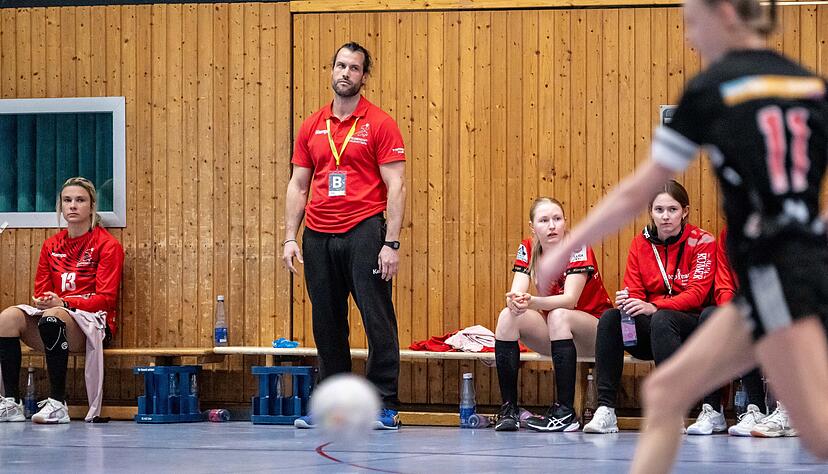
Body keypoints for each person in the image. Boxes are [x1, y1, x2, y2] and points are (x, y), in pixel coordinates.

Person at [539, 0, 828, 468]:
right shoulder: (809, 85)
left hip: (777, 273)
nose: (690, 37)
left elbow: (637, 191)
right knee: (666, 390)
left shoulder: (713, 88)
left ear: (728, 15)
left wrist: (566, 247)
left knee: (818, 431)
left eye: (694, 23)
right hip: (781, 272)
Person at [282, 42, 406, 430]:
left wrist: (392, 243)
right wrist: (290, 236)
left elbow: (397, 185)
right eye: (340, 65)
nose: (345, 73)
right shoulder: (312, 125)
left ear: (364, 76)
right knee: (326, 322)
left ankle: (383, 403)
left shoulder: (380, 123)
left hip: (365, 229)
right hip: (318, 234)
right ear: (331, 70)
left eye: (354, 68)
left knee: (377, 317)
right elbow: (298, 185)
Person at [582, 180, 716, 434]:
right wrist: (628, 301)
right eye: (659, 210)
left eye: (673, 210)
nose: (666, 217)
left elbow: (697, 295)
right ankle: (606, 409)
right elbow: (634, 289)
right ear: (650, 211)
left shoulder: (702, 241)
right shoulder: (640, 243)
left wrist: (653, 306)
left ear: (685, 211)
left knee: (663, 317)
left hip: (689, 330)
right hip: (652, 331)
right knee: (610, 318)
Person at [0, 177, 124, 424]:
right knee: (7, 318)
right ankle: (11, 402)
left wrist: (63, 303)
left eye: (80, 200)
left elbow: (106, 299)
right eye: (67, 201)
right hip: (55, 316)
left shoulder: (107, 245)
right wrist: (45, 300)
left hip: (93, 323)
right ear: (60, 207)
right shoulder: (51, 245)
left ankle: (58, 403)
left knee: (53, 316)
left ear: (92, 206)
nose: (73, 206)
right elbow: (42, 289)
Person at [494, 197, 612, 432]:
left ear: (565, 222)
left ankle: (566, 412)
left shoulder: (578, 246)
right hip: (559, 335)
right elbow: (518, 289)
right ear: (532, 227)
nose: (552, 226)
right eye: (544, 220)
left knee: (559, 314)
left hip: (595, 332)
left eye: (557, 219)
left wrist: (532, 301)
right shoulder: (527, 248)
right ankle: (509, 410)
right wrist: (515, 300)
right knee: (507, 316)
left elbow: (570, 300)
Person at [685, 227, 770, 436]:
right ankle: (713, 409)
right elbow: (723, 285)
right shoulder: (728, 234)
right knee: (710, 316)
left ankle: (758, 407)